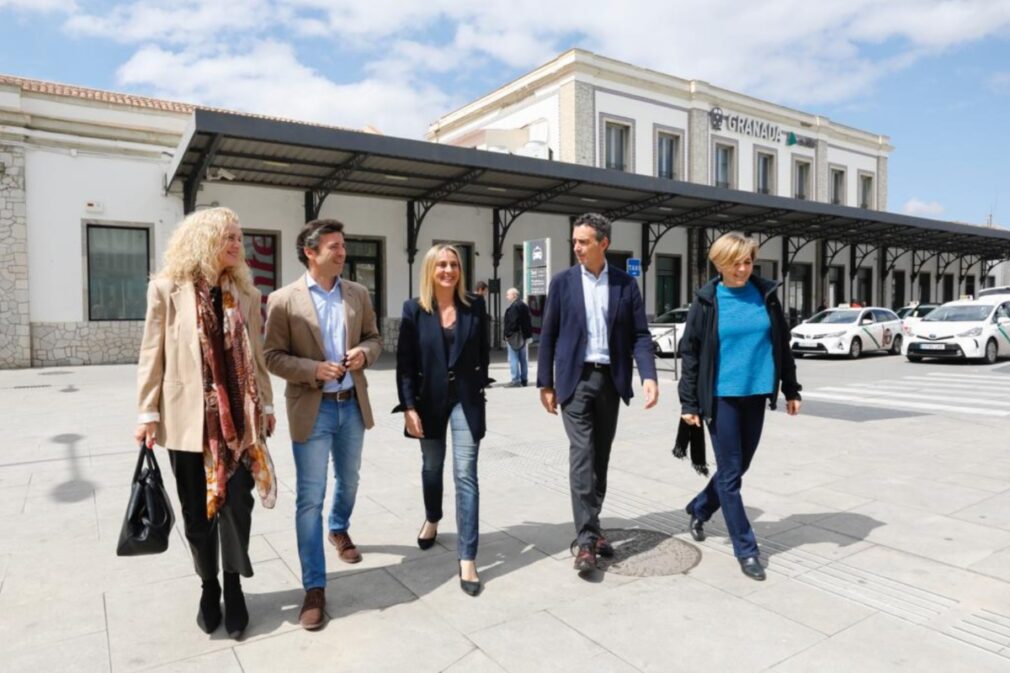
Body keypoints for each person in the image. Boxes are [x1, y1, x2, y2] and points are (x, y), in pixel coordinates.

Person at [135, 207, 277, 640]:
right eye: (227, 237)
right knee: (197, 514)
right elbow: (151, 353)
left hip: (239, 425)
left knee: (237, 507)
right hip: (187, 422)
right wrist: (147, 413)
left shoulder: (247, 296)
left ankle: (232, 586)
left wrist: (267, 406)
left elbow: (255, 357)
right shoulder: (166, 290)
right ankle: (208, 584)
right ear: (202, 240)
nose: (237, 244)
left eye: (238, 236)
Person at [263, 219, 382, 630]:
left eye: (343, 245)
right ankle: (314, 588)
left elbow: (375, 338)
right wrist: (314, 368)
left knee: (349, 480)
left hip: (351, 406)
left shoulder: (358, 294)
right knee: (309, 498)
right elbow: (272, 356)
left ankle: (340, 529)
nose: (342, 252)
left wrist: (364, 354)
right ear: (310, 253)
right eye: (333, 246)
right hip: (311, 410)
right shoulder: (283, 300)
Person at [537, 213, 659, 574]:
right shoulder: (563, 283)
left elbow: (640, 334)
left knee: (600, 458)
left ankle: (594, 524)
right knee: (582, 456)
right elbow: (548, 335)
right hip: (575, 381)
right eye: (574, 241)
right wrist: (545, 382)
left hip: (611, 380)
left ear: (603, 244)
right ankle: (587, 541)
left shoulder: (625, 285)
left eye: (583, 241)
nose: (576, 247)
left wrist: (648, 375)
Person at [679, 231, 802, 581]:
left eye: (748, 262)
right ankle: (746, 550)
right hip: (721, 397)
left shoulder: (766, 296)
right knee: (731, 475)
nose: (744, 269)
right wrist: (689, 402)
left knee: (739, 466)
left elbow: (782, 345)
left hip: (757, 393)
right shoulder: (707, 301)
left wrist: (791, 389)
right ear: (720, 263)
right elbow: (690, 353)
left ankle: (700, 507)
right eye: (737, 263)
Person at [395, 244, 490, 596]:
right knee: (432, 466)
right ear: (430, 270)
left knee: (465, 474)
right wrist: (408, 407)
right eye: (441, 265)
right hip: (428, 402)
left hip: (465, 401)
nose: (448, 270)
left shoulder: (475, 307)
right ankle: (433, 517)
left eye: (453, 265)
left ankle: (467, 556)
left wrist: (477, 388)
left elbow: (481, 354)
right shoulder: (414, 310)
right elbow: (405, 364)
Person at [503, 287, 533, 387]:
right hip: (523, 336)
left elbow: (513, 322)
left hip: (514, 336)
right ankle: (524, 379)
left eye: (508, 294)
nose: (506, 296)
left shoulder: (515, 306)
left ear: (514, 295)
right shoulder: (523, 305)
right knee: (523, 358)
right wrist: (528, 335)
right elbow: (528, 320)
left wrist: (508, 334)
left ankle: (515, 380)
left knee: (513, 358)